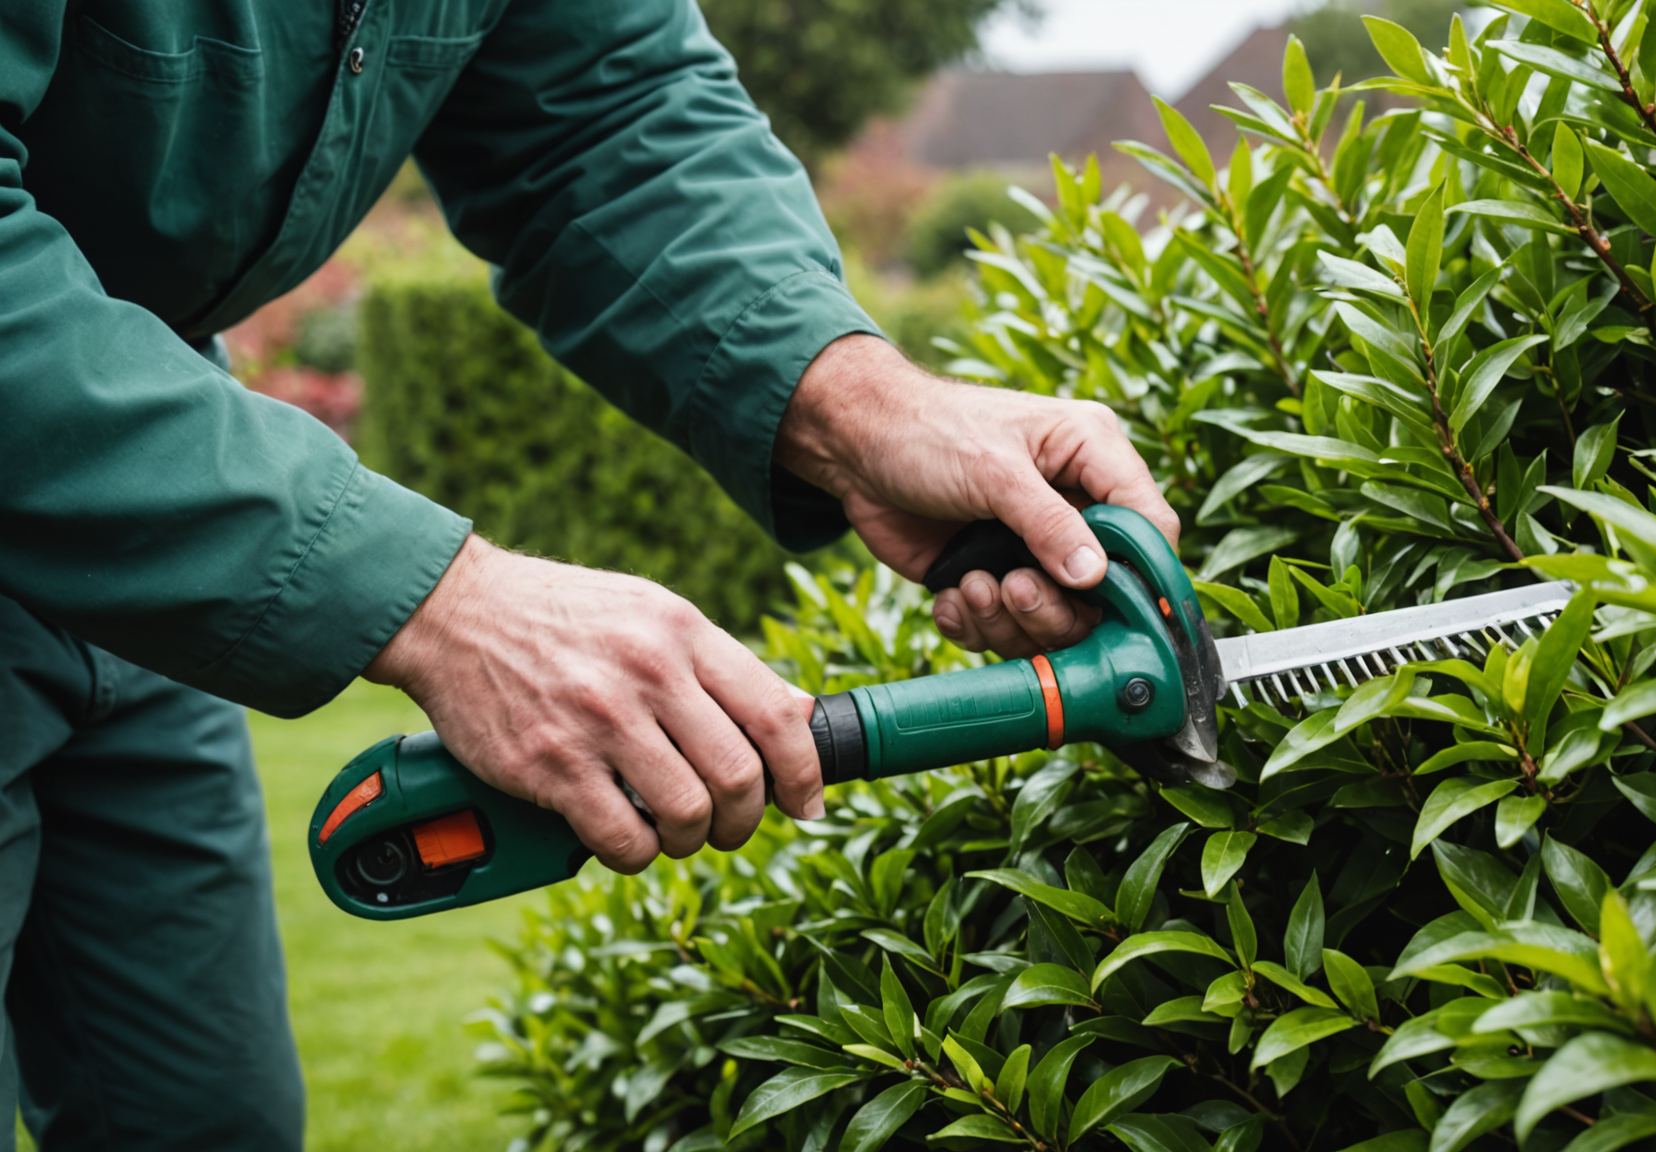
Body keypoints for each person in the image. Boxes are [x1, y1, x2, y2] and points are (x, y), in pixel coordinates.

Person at [0, 1, 1179, 1147]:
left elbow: (604, 114)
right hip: (81, 455)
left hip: (151, 525)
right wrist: (449, 606)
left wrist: (855, 408)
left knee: (207, 1116)